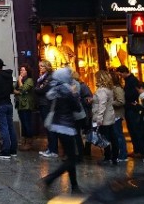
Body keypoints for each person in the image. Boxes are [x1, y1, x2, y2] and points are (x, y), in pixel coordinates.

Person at [40, 67, 82, 196]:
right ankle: (50, 178)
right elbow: (77, 108)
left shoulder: (54, 89)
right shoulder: (67, 90)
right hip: (66, 126)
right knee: (72, 158)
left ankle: (75, 186)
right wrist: (74, 94)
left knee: (71, 157)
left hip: (56, 125)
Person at [116, 65, 144, 157]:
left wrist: (124, 96)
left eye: (120, 75)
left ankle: (139, 150)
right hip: (129, 108)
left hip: (131, 108)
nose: (120, 77)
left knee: (135, 129)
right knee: (132, 129)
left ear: (124, 72)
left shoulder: (132, 80)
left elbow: (132, 94)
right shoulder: (129, 80)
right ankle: (137, 149)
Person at [92, 70, 118, 165]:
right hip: (110, 116)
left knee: (106, 138)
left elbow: (102, 104)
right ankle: (114, 157)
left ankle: (109, 157)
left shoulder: (101, 90)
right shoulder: (109, 89)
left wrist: (99, 118)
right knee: (112, 137)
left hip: (104, 117)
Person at [36, 60, 58, 158]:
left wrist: (39, 88)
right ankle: (50, 148)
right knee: (48, 127)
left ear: (47, 67)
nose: (40, 68)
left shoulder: (49, 77)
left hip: (46, 104)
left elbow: (41, 90)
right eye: (39, 66)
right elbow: (38, 88)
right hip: (43, 103)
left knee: (50, 127)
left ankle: (53, 150)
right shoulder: (43, 78)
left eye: (42, 66)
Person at [14, 64, 35, 151]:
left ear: (27, 71)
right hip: (20, 104)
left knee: (27, 123)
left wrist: (19, 81)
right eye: (20, 70)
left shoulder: (29, 80)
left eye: (23, 70)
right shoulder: (21, 80)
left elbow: (23, 89)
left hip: (26, 105)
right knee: (23, 123)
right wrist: (19, 91)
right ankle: (24, 141)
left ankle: (29, 142)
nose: (21, 72)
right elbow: (14, 89)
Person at [109, 71, 127, 162]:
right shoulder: (113, 88)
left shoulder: (117, 89)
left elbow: (121, 101)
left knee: (118, 135)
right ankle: (118, 154)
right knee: (115, 135)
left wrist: (109, 103)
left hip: (117, 115)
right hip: (113, 115)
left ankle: (123, 155)